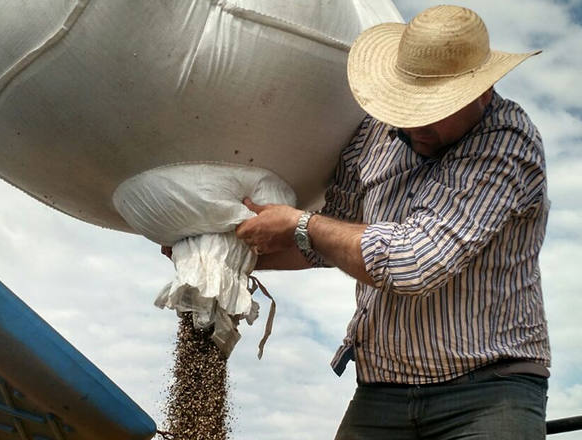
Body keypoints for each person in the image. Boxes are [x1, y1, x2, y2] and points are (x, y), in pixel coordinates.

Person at [235, 5, 550, 440]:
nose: (418, 122)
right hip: (381, 391)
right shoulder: (371, 137)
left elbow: (413, 263)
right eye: (411, 104)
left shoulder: (507, 141)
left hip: (488, 391)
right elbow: (327, 238)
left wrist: (298, 223)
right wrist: (234, 259)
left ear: (482, 90)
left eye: (438, 107)